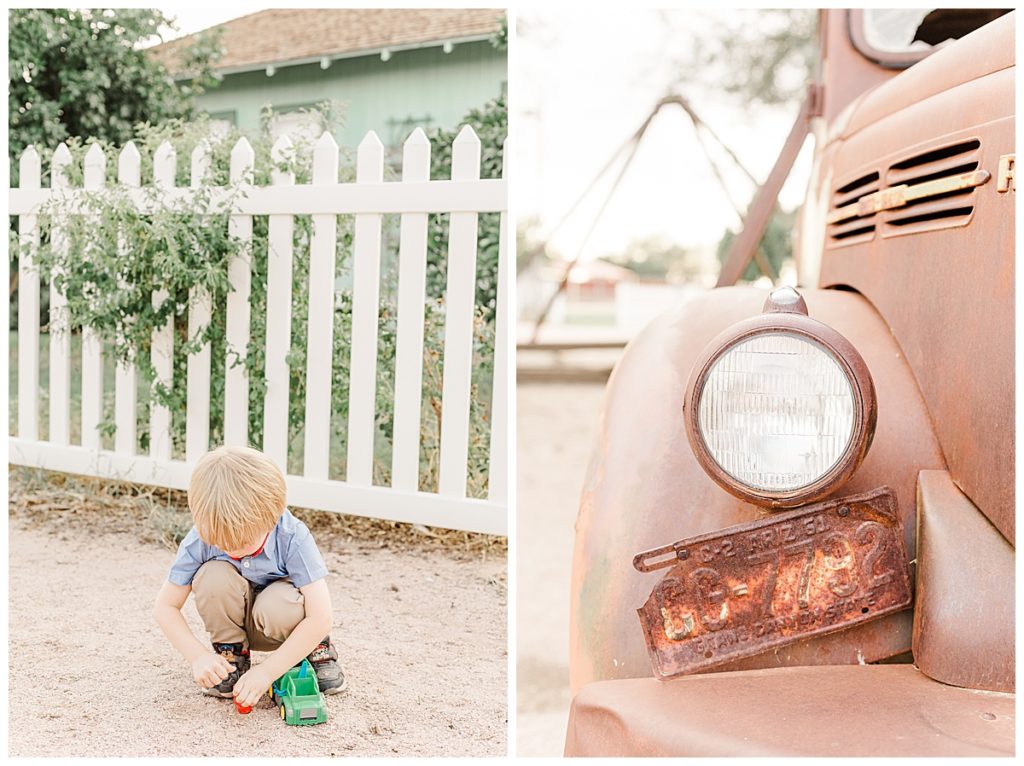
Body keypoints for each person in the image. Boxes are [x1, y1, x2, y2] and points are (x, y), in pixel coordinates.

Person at [153, 445, 346, 709]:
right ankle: (232, 654)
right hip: (238, 621)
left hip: (282, 623)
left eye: (242, 541)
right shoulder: (200, 537)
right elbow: (165, 606)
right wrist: (197, 657)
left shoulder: (292, 536)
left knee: (279, 601)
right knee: (212, 575)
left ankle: (315, 650)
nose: (232, 549)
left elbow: (321, 616)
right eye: (221, 543)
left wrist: (268, 672)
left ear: (272, 516)